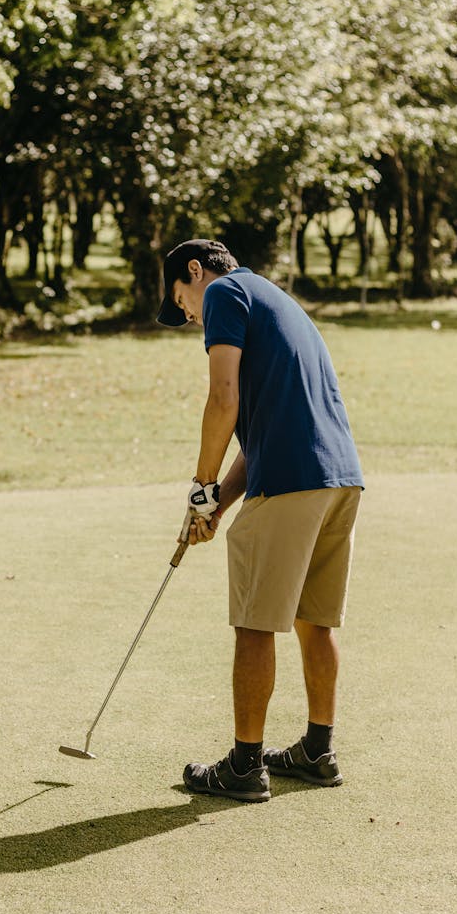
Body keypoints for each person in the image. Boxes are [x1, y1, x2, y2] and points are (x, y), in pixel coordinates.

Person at [157, 239, 364, 802]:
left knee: (254, 622)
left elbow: (222, 398)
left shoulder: (224, 292)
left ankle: (245, 765)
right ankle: (317, 752)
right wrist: (218, 503)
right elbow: (260, 430)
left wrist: (199, 488)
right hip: (340, 477)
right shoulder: (275, 297)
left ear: (195, 272)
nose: (189, 315)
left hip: (292, 483)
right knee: (311, 619)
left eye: (181, 301)